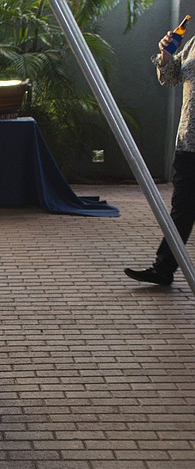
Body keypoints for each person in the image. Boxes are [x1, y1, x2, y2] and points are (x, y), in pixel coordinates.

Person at [124, 29, 195, 286]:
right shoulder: (193, 44)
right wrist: (166, 55)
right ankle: (163, 268)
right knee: (182, 209)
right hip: (188, 141)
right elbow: (170, 77)